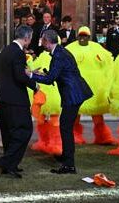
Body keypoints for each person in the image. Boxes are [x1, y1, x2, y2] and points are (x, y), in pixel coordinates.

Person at [26, 30, 93, 174]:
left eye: (42, 40)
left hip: (73, 94)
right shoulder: (60, 52)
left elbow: (50, 79)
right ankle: (66, 157)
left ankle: (69, 164)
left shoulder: (59, 55)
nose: (41, 43)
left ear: (47, 41)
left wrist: (31, 75)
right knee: (65, 127)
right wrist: (39, 74)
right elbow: (53, 75)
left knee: (65, 127)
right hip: (74, 93)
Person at [0, 25, 39, 179]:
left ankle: (10, 165)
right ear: (26, 38)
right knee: (23, 130)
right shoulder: (19, 53)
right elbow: (19, 76)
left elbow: (11, 72)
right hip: (15, 99)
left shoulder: (6, 50)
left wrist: (26, 72)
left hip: (2, 97)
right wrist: (35, 85)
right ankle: (7, 162)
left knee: (9, 133)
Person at [66, 26, 116, 145]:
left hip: (95, 88)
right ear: (77, 36)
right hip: (77, 86)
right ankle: (74, 136)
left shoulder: (97, 47)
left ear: (89, 37)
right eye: (81, 36)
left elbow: (108, 61)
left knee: (97, 114)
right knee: (75, 114)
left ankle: (103, 137)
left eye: (85, 36)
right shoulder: (70, 48)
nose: (82, 38)